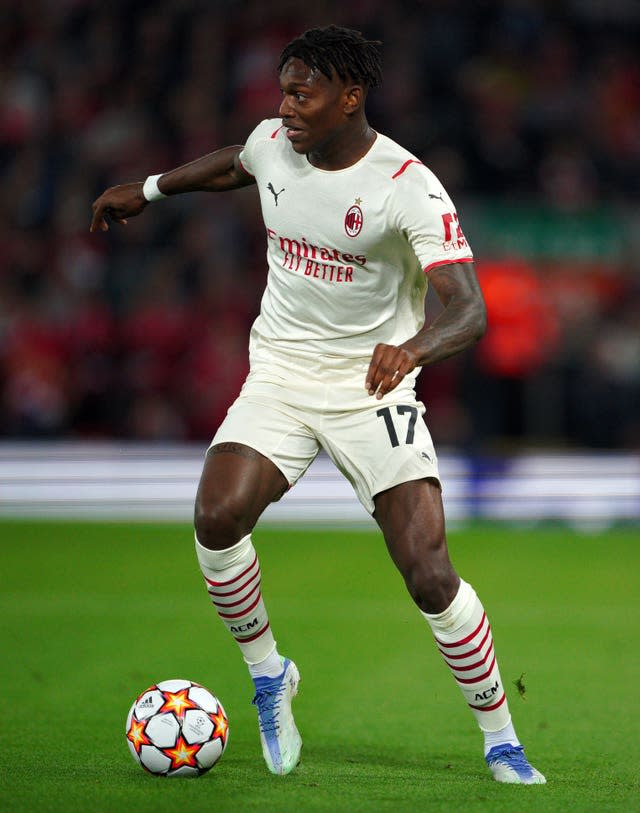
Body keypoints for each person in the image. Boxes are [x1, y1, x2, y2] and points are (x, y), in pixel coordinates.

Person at [91, 25, 545, 785]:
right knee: (215, 517)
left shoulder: (407, 184)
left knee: (429, 571)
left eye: (302, 93)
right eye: (284, 91)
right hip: (281, 373)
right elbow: (237, 164)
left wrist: (413, 350)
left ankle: (500, 737)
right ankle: (271, 675)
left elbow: (467, 309)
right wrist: (148, 191)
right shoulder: (275, 140)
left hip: (372, 387)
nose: (286, 107)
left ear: (350, 96)